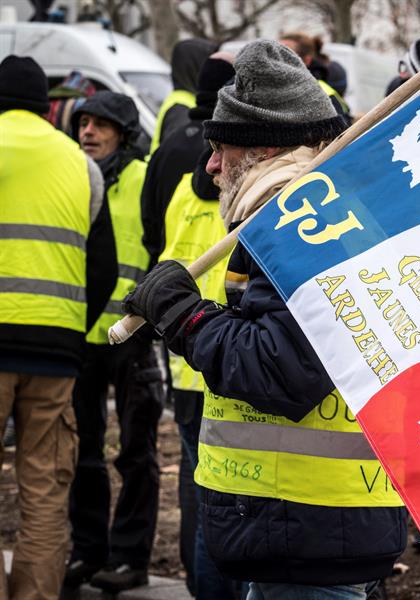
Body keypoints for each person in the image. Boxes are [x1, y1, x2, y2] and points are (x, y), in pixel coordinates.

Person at [122, 40, 407, 599]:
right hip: (314, 522)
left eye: (220, 147)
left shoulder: (296, 221)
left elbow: (280, 369)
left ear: (259, 149)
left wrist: (179, 311)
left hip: (309, 522)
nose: (209, 165)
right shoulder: (317, 213)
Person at [0, 55, 116, 600]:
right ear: (46, 108)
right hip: (57, 352)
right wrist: (73, 331)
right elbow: (103, 266)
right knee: (45, 491)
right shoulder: (81, 165)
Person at [142, 52, 238, 599]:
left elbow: (156, 245)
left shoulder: (177, 172)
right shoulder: (250, 179)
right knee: (228, 496)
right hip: (231, 351)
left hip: (185, 354)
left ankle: (200, 585)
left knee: (199, 488)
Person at [64, 91, 165, 593]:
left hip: (132, 336)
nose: (88, 132)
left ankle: (130, 558)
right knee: (81, 451)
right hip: (80, 335)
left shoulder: (145, 177)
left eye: (100, 125)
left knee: (136, 452)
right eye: (83, 122)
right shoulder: (70, 176)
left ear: (122, 133)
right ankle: (87, 552)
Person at [150, 38, 218, 154]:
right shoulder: (181, 110)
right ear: (196, 67)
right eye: (209, 65)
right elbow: (179, 159)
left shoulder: (187, 101)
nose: (213, 71)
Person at [279, 31, 352, 122]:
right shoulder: (265, 91)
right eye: (272, 53)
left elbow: (341, 130)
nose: (275, 60)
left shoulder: (323, 96)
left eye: (284, 55)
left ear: (306, 61)